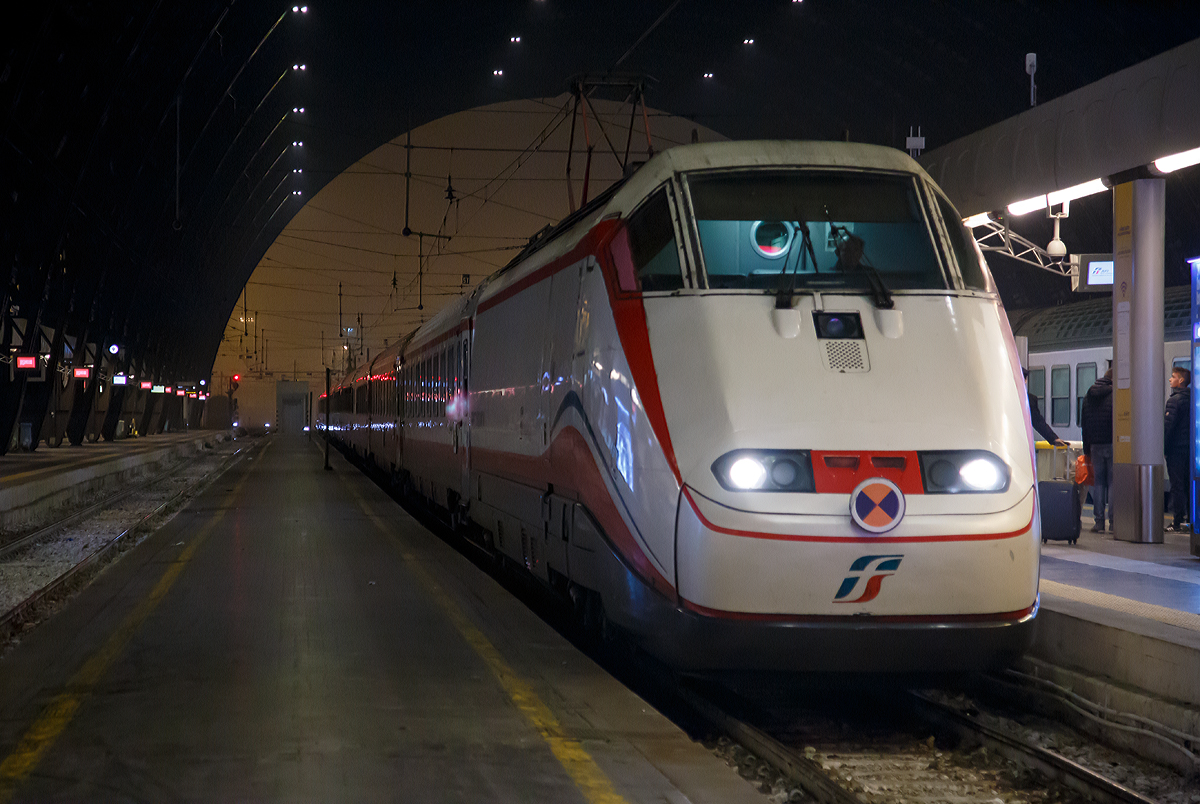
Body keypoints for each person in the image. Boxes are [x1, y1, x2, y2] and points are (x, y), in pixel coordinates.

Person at [1081, 368, 1114, 533]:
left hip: (1095, 445)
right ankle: (1114, 523)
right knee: (1113, 483)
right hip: (1112, 444)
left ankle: (1099, 522)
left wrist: (1087, 448)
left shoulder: (1088, 397)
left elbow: (1084, 425)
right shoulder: (1116, 396)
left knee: (1099, 484)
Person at [1164, 366, 1192, 532]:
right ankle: (1190, 518)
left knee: (1177, 485)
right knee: (1189, 484)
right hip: (1189, 449)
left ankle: (1177, 520)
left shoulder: (1173, 401)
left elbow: (1168, 428)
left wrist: (1164, 449)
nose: (1170, 379)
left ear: (1180, 380)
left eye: (1173, 377)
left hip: (1176, 450)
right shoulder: (1193, 398)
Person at [1023, 368, 1067, 446]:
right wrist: (1053, 438)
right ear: (1025, 380)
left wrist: (1053, 438)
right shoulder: (1029, 400)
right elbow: (1038, 422)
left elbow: (1038, 422)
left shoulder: (1003, 397)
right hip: (1021, 441)